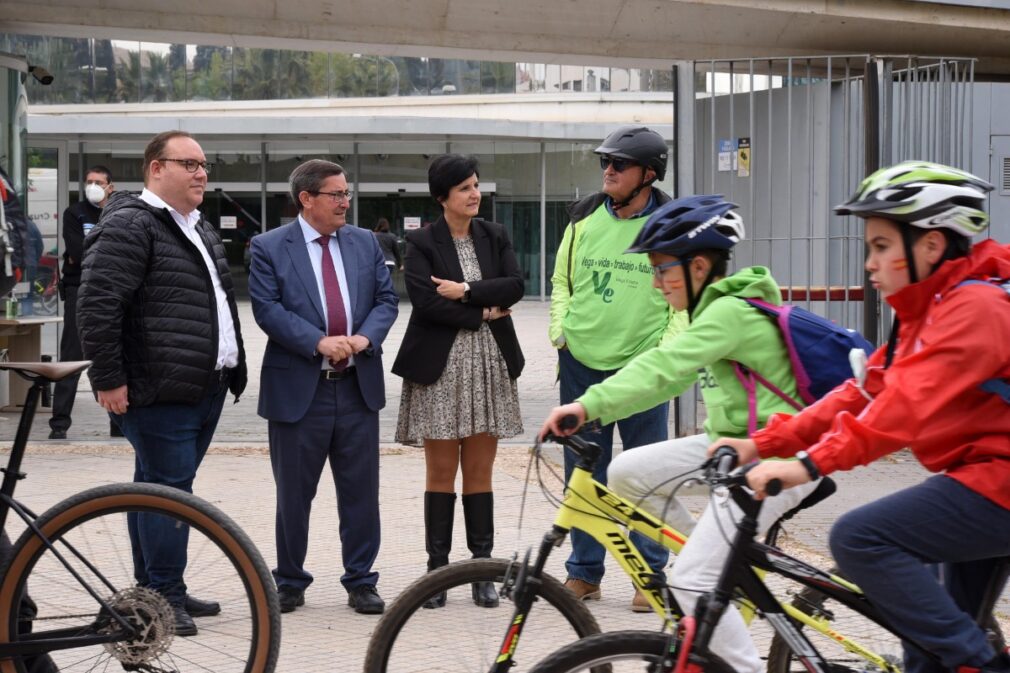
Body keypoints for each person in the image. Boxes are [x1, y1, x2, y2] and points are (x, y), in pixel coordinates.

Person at [736, 161, 1010, 673]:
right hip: (984, 480)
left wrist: (808, 466)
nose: (870, 263)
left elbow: (899, 413)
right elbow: (860, 393)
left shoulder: (976, 310)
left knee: (861, 538)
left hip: (998, 483)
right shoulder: (931, 310)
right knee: (931, 648)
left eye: (882, 246)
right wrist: (762, 444)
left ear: (929, 245)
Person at [541, 194, 820, 671]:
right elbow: (669, 376)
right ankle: (717, 563)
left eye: (662, 269)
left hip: (778, 456)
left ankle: (737, 650)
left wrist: (588, 405)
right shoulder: (708, 311)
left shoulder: (728, 313)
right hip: (729, 443)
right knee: (627, 470)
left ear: (699, 266)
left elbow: (663, 367)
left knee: (688, 582)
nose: (655, 282)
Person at [77, 130, 247, 637]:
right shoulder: (133, 225)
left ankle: (153, 585)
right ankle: (164, 599)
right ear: (156, 168)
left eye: (204, 164)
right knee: (170, 493)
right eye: (189, 163)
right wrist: (108, 379)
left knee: (155, 490)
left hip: (203, 387)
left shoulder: (198, 226)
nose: (201, 173)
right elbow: (98, 303)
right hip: (159, 390)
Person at [249, 159, 398, 616]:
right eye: (335, 194)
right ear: (306, 199)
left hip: (356, 387)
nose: (345, 202)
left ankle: (361, 580)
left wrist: (364, 338)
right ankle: (290, 580)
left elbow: (386, 300)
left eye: (347, 193)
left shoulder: (365, 243)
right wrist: (317, 342)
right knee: (294, 495)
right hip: (300, 391)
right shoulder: (269, 246)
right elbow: (267, 309)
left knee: (360, 493)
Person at [548, 125, 686, 609]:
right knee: (585, 473)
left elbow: (681, 303)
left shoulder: (672, 222)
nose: (608, 170)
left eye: (619, 164)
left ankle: (648, 577)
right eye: (604, 162)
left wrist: (662, 358)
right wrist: (560, 334)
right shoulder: (584, 216)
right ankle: (584, 573)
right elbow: (561, 280)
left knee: (644, 474)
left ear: (648, 174)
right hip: (580, 363)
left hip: (643, 368)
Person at [393, 154, 524, 609]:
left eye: (476, 185)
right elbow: (426, 303)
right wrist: (485, 312)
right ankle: (438, 571)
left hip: (490, 364)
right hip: (440, 367)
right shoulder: (423, 241)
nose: (475, 194)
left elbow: (515, 285)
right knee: (442, 471)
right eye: (465, 188)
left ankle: (481, 570)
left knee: (480, 471)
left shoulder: (495, 234)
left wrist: (467, 291)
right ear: (442, 197)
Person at [49, 165, 113, 440]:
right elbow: (75, 252)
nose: (93, 186)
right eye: (89, 181)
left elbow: (125, 253)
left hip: (111, 292)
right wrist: (106, 252)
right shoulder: (74, 213)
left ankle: (119, 424)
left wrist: (90, 251)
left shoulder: (117, 213)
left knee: (111, 356)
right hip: (78, 290)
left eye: (98, 182)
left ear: (110, 187)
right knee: (71, 357)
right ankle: (59, 424)